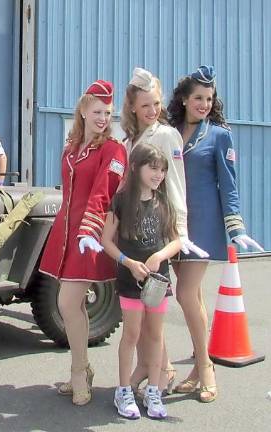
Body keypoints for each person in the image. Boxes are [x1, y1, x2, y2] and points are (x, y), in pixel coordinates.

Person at [166, 65, 263, 403]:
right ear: (183, 99)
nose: (204, 104)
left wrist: (235, 227)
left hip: (203, 227)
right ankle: (196, 371)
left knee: (186, 294)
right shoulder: (170, 131)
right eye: (198, 98)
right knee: (194, 298)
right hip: (173, 225)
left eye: (209, 99)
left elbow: (228, 183)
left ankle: (206, 368)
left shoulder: (220, 135)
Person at [38, 80, 127, 406]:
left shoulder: (113, 149)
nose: (103, 117)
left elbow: (104, 192)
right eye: (97, 111)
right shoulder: (72, 146)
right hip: (66, 231)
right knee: (72, 305)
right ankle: (82, 369)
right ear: (83, 111)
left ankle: (79, 371)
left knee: (67, 303)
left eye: (107, 112)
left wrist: (88, 229)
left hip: (89, 233)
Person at [119, 67, 205, 396]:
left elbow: (176, 184)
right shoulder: (128, 140)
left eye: (156, 103)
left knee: (154, 305)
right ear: (132, 108)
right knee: (137, 307)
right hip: (132, 233)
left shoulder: (167, 136)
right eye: (145, 105)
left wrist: (179, 233)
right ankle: (155, 366)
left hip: (158, 232)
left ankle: (164, 369)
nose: (152, 111)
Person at [101, 143, 181, 419]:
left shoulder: (165, 201)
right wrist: (128, 262)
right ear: (135, 167)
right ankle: (123, 390)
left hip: (159, 281)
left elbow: (176, 240)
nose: (158, 175)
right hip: (129, 280)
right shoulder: (121, 200)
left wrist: (159, 255)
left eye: (162, 170)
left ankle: (154, 390)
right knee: (132, 334)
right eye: (153, 168)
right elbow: (105, 241)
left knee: (156, 334)